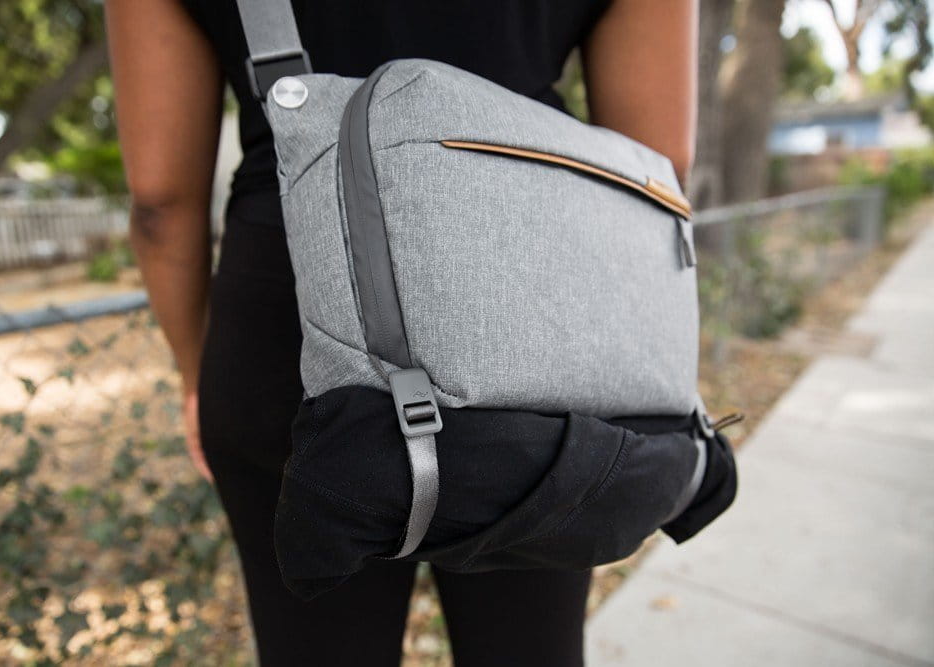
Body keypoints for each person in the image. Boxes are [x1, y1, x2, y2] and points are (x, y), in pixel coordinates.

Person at [104, 1, 697, 664]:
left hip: (287, 302)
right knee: (528, 644)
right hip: (533, 285)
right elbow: (658, 161)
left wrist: (196, 373)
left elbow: (159, 200)